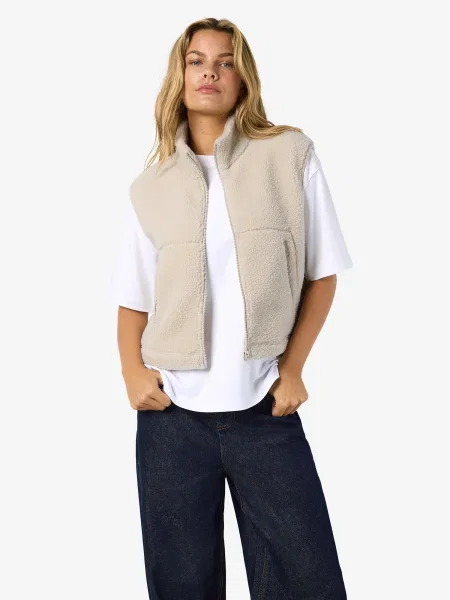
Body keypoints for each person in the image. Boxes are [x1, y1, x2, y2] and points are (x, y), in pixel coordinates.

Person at [111, 17, 353, 600]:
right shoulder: (151, 185)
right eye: (196, 61)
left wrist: (293, 370)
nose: (210, 73)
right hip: (171, 419)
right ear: (180, 75)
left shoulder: (289, 156)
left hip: (264, 408)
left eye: (225, 62)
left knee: (307, 580)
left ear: (243, 77)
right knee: (181, 586)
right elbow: (133, 299)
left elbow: (322, 275)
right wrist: (132, 372)